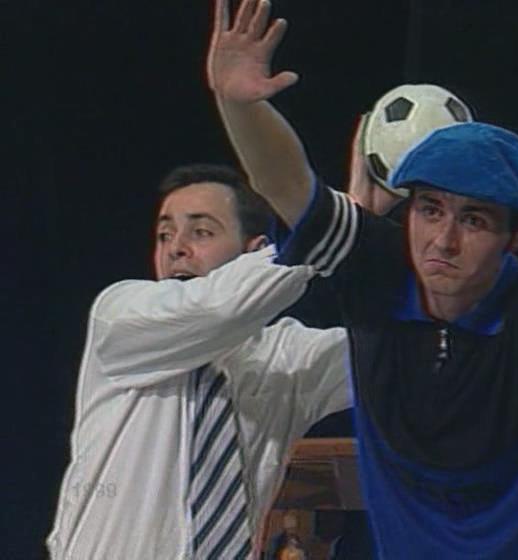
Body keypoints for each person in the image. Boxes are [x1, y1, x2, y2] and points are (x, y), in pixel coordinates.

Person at [206, 1, 518, 558]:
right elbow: (284, 183)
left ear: (517, 236)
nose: (443, 241)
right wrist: (240, 107)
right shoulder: (375, 267)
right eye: (430, 210)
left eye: (473, 220)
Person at [47, 163, 351, 559]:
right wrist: (335, 228)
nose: (175, 248)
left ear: (254, 252)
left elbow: (391, 361)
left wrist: (375, 235)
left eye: (201, 232)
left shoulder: (284, 359)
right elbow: (219, 308)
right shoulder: (122, 318)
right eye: (165, 234)